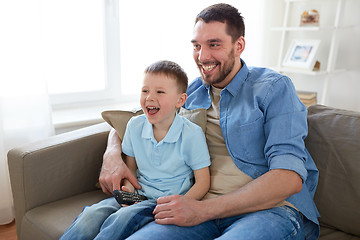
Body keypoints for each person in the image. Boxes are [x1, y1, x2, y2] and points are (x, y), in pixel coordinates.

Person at [99, 3, 320, 240]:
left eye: (214, 44)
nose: (202, 57)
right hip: (197, 208)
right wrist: (111, 155)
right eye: (197, 46)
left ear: (239, 45)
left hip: (269, 211)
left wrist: (202, 210)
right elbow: (134, 119)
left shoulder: (273, 88)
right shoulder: (190, 91)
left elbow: (289, 177)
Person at [60, 60, 211, 240]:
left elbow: (203, 182)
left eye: (160, 92)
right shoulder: (135, 125)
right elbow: (130, 170)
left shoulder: (191, 134)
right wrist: (128, 193)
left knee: (121, 220)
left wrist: (180, 204)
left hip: (165, 202)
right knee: (91, 215)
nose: (149, 97)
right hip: (137, 196)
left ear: (180, 100)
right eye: (145, 90)